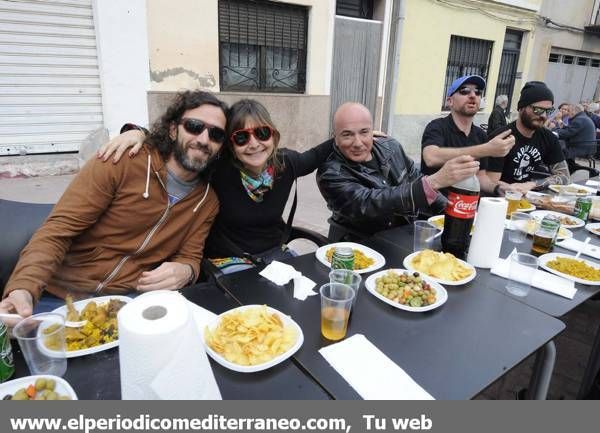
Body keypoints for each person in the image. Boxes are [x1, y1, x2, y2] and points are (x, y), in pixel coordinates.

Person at [1, 90, 225, 317]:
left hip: (126, 304)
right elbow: (57, 230)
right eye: (195, 126)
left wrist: (186, 270)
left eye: (216, 134)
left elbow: (190, 254)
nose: (204, 140)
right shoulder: (121, 161)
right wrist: (24, 288)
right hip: (59, 298)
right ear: (173, 129)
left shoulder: (207, 201)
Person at [98, 99, 333, 274]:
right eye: (241, 137)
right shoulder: (217, 167)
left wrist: (357, 136)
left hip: (274, 256)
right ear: (230, 144)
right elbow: (174, 146)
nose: (254, 144)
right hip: (227, 262)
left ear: (273, 136)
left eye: (262, 133)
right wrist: (137, 133)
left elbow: (319, 153)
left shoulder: (287, 163)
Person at [316, 102, 480, 236]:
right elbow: (370, 203)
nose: (358, 142)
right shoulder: (330, 173)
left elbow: (415, 177)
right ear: (335, 138)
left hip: (403, 236)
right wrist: (434, 181)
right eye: (347, 135)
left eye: (364, 132)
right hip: (360, 246)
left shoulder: (391, 147)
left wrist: (451, 212)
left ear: (372, 131)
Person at [420, 75, 515, 195]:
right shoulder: (437, 127)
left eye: (478, 92)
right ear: (450, 101)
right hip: (436, 207)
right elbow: (431, 157)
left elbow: (480, 177)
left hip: (468, 206)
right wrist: (487, 149)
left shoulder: (480, 135)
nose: (472, 95)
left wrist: (498, 188)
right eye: (464, 91)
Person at [487, 81, 570, 195]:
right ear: (521, 108)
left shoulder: (548, 137)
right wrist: (513, 190)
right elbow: (490, 183)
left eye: (548, 111)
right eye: (538, 109)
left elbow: (565, 177)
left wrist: (532, 184)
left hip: (529, 201)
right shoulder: (501, 137)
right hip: (499, 201)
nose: (543, 116)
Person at [556, 103, 598, 176]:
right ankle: (570, 166)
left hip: (580, 148)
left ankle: (560, 172)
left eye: (568, 111)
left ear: (573, 111)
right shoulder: (582, 118)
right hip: (587, 147)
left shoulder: (579, 119)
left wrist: (554, 133)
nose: (568, 113)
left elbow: (567, 133)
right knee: (561, 144)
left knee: (556, 149)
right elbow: (569, 130)